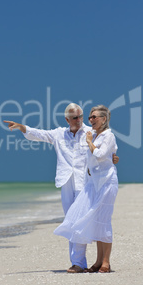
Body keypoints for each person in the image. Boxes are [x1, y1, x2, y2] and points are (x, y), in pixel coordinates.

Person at [4, 103, 119, 273]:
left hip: (86, 182)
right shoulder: (59, 134)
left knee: (79, 219)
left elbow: (107, 146)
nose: (79, 120)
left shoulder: (91, 132)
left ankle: (82, 263)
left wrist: (113, 157)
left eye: (81, 116)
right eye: (75, 117)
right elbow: (40, 134)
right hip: (66, 182)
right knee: (70, 219)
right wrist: (23, 127)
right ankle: (78, 262)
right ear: (67, 119)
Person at [54, 105, 119, 273]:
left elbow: (99, 154)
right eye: (90, 117)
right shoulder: (96, 135)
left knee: (103, 220)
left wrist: (90, 143)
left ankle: (105, 262)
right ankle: (97, 262)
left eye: (94, 117)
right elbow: (106, 154)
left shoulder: (104, 135)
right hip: (94, 183)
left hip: (106, 182)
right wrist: (113, 157)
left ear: (104, 119)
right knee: (95, 220)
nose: (90, 120)